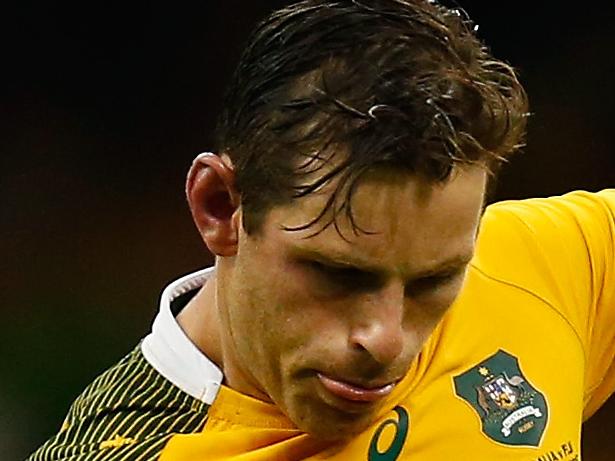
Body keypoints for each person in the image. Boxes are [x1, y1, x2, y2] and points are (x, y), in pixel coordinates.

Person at [28, 0, 614, 460]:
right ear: (220, 207)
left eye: (435, 281)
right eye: (339, 273)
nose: (385, 340)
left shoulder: (548, 265)